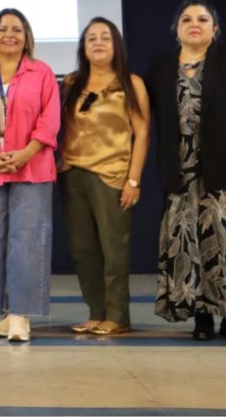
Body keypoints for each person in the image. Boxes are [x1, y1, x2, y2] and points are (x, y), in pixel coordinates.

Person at [146, 0, 226, 342]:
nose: (194, 24)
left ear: (215, 28)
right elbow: (138, 106)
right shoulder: (161, 66)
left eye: (202, 19)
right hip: (180, 175)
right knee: (190, 248)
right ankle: (201, 319)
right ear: (177, 28)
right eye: (186, 19)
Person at [0, 8, 60, 343]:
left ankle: (21, 316)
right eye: (3, 29)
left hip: (32, 166)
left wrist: (25, 154)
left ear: (27, 37)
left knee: (26, 241)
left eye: (17, 29)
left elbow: (50, 121)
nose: (9, 35)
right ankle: (6, 311)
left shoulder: (42, 72)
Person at [58, 17, 150, 337]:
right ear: (83, 47)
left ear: (116, 46)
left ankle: (118, 315)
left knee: (114, 249)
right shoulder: (70, 82)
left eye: (106, 38)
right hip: (72, 174)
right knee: (83, 250)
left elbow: (142, 133)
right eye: (91, 38)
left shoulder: (130, 83)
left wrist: (134, 179)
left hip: (112, 175)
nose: (98, 43)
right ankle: (96, 312)